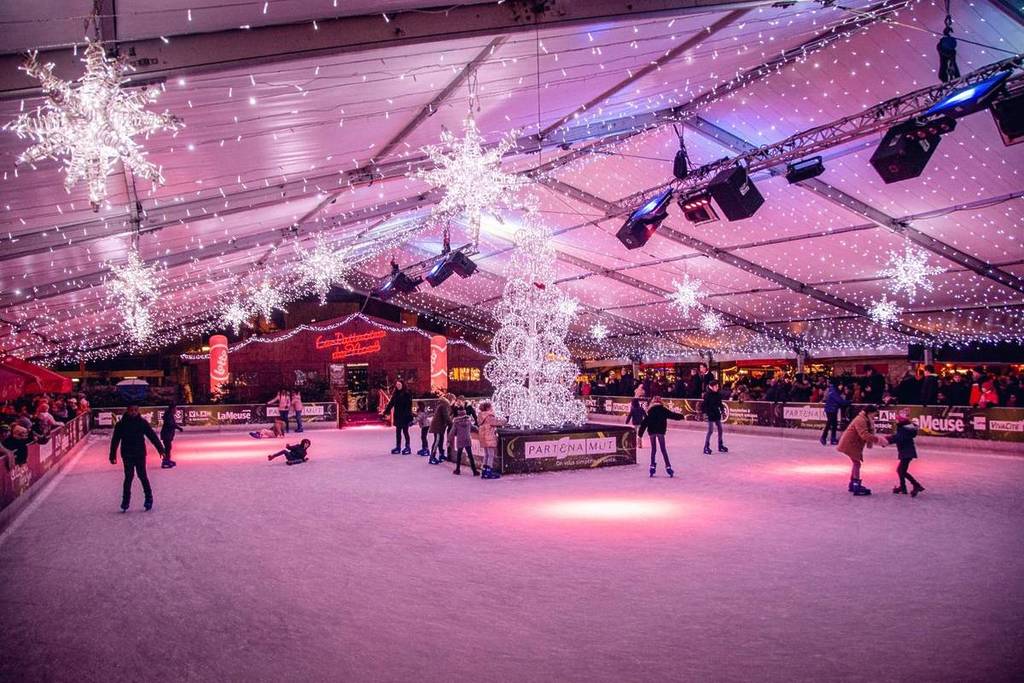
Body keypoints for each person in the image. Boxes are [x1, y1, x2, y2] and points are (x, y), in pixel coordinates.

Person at [109, 405, 166, 512]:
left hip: (140, 454)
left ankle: (148, 498)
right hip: (127, 454)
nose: (134, 412)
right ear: (127, 411)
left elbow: (152, 436)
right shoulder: (121, 424)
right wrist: (112, 455)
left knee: (142, 475)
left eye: (135, 410)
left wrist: (161, 449)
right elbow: (115, 440)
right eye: (131, 410)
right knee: (128, 477)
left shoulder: (142, 423)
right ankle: (125, 500)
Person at [836, 404, 884, 496]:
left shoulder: (866, 419)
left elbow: (867, 432)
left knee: (856, 463)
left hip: (854, 444)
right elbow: (864, 434)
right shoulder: (860, 420)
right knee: (857, 463)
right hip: (850, 444)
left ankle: (853, 484)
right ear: (869, 413)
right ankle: (856, 485)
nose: (875, 416)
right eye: (874, 414)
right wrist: (878, 440)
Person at [637, 396, 684, 477]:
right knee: (663, 450)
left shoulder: (650, 411)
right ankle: (668, 466)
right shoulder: (663, 410)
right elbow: (672, 415)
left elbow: (644, 423)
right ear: (660, 401)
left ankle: (652, 466)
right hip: (660, 432)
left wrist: (640, 434)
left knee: (653, 449)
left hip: (652, 432)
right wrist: (681, 416)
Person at [887, 415, 924, 497]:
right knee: (901, 470)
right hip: (907, 452)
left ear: (900, 422)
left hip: (906, 453)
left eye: (897, 420)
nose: (895, 421)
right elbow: (898, 437)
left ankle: (916, 485)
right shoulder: (906, 429)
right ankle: (903, 487)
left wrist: (886, 440)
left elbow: (898, 438)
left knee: (901, 471)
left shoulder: (903, 429)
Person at [476, 401, 505, 479]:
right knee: (491, 455)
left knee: (486, 454)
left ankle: (484, 471)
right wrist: (506, 420)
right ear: (488, 408)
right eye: (491, 407)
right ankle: (489, 472)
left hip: (483, 437)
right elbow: (497, 422)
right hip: (489, 437)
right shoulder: (489, 416)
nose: (492, 408)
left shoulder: (481, 416)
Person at [383, 380, 414, 454]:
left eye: (399, 385)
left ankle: (407, 447)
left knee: (405, 432)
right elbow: (391, 403)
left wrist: (409, 416)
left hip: (405, 416)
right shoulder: (395, 394)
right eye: (397, 385)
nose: (398, 386)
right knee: (398, 432)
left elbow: (409, 406)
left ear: (402, 385)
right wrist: (386, 411)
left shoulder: (407, 394)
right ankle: (398, 447)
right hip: (398, 415)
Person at [701, 381, 728, 455]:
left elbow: (720, 404)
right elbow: (703, 405)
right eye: (716, 386)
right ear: (711, 387)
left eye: (717, 386)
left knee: (720, 429)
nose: (717, 388)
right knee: (710, 430)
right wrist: (705, 413)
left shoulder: (718, 394)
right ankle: (706, 447)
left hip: (716, 414)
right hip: (710, 414)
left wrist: (722, 411)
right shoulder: (707, 395)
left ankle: (720, 445)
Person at [820, 380, 848, 446]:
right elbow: (840, 401)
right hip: (831, 410)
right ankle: (823, 437)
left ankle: (833, 439)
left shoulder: (833, 390)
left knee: (834, 424)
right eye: (840, 385)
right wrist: (850, 402)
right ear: (837, 385)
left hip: (833, 409)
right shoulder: (834, 392)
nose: (841, 386)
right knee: (829, 423)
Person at [428, 393, 453, 465]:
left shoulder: (443, 404)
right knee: (437, 440)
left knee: (441, 440)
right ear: (450, 399)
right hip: (437, 426)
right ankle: (432, 457)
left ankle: (441, 454)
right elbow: (446, 416)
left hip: (441, 426)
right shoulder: (444, 405)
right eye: (453, 400)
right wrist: (452, 424)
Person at [159, 403, 182, 469]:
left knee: (168, 447)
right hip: (166, 434)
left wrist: (177, 427)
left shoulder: (169, 415)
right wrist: (178, 428)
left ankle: (167, 460)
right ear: (172, 409)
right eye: (175, 409)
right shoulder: (168, 415)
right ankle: (166, 461)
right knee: (168, 448)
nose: (176, 410)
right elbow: (171, 424)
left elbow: (172, 424)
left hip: (167, 434)